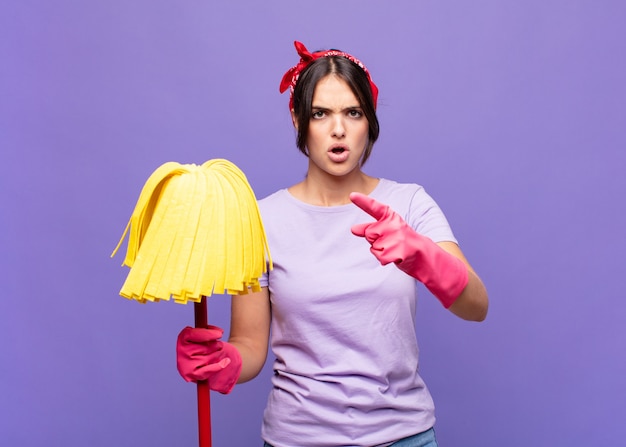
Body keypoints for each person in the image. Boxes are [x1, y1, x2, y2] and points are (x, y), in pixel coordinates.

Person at [176, 41, 489, 447]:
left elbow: (476, 306)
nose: (337, 129)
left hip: (403, 437)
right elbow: (251, 342)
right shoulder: (260, 221)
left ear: (369, 122)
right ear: (298, 119)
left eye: (353, 113)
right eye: (321, 113)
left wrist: (423, 255)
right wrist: (225, 361)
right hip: (297, 439)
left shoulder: (409, 203)